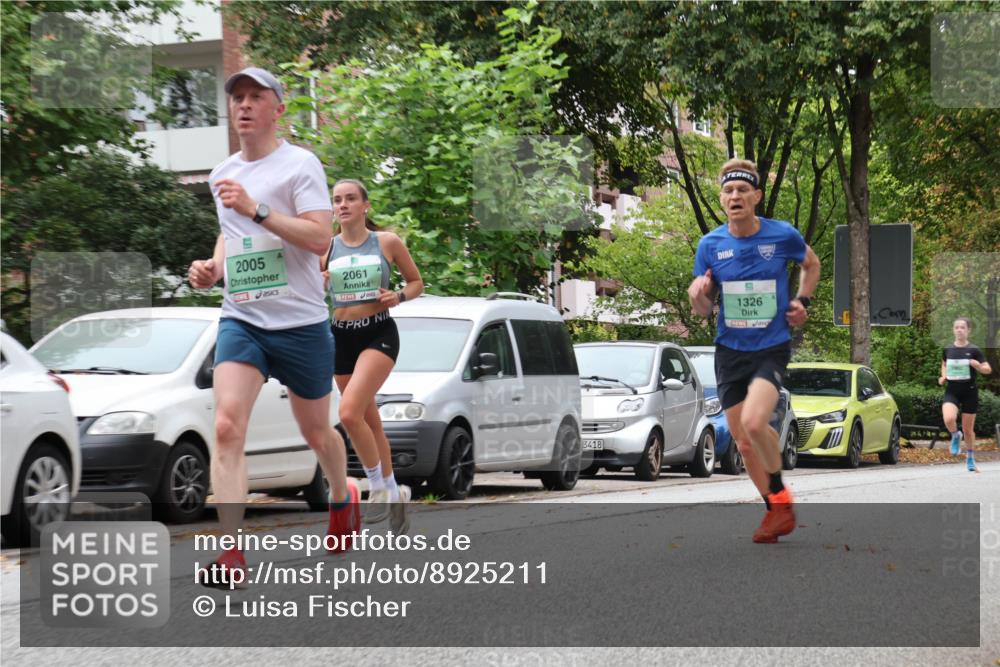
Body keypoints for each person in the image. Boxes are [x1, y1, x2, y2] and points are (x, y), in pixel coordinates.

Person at [188, 67, 357, 586]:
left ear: (278, 108)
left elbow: (317, 238)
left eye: (255, 97)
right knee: (225, 426)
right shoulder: (223, 171)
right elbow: (230, 237)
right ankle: (232, 554)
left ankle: (341, 494)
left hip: (301, 322)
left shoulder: (299, 165)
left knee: (316, 432)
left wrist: (258, 209)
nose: (243, 105)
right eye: (237, 97)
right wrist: (213, 268)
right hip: (243, 317)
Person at [688, 159, 821, 544]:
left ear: (756, 196)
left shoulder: (783, 236)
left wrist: (803, 301)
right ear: (721, 199)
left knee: (753, 421)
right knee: (743, 440)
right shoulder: (710, 245)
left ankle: (780, 492)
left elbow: (810, 264)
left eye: (743, 190)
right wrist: (697, 295)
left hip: (771, 347)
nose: (735, 197)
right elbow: (703, 306)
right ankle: (775, 510)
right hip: (729, 351)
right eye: (728, 191)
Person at [322, 178, 423, 534]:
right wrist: (316, 281)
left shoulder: (386, 242)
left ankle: (377, 490)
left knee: (349, 414)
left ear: (366, 206)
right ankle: (396, 494)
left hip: (378, 333)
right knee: (370, 421)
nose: (344, 204)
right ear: (333, 208)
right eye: (337, 199)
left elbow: (416, 283)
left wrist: (398, 296)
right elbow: (304, 286)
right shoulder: (327, 248)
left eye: (351, 198)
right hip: (341, 337)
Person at [939, 317, 992, 471]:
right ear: (953, 330)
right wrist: (943, 376)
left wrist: (978, 366)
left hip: (970, 392)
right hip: (952, 390)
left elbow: (987, 369)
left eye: (963, 327)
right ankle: (955, 435)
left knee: (968, 430)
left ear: (968, 330)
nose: (960, 330)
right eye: (957, 327)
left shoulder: (974, 350)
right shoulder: (948, 349)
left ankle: (970, 458)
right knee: (949, 418)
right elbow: (944, 364)